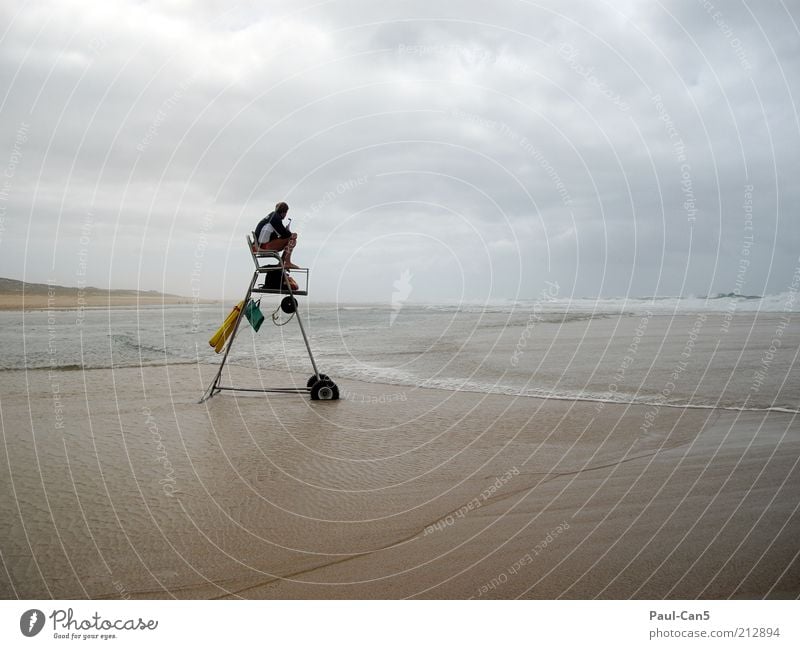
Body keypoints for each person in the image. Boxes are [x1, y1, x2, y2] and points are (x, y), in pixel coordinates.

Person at [254, 201, 300, 269]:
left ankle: (283, 262)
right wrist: (290, 232)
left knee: (290, 237)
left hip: (260, 244)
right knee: (292, 239)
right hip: (263, 246)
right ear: (284, 212)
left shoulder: (272, 215)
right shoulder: (276, 219)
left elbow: (279, 234)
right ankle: (286, 262)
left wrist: (286, 232)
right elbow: (285, 235)